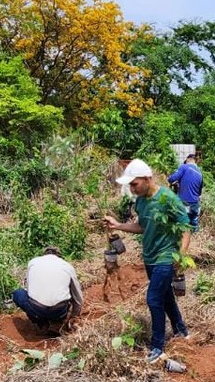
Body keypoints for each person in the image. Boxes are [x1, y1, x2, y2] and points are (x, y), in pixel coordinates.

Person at [104, 158, 193, 363]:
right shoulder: (141, 201)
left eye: (134, 184)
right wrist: (117, 226)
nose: (132, 189)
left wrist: (182, 255)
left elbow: (185, 227)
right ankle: (182, 331)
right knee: (166, 297)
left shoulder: (168, 198)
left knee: (153, 299)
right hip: (150, 257)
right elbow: (141, 227)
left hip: (166, 257)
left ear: (147, 179)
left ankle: (158, 347)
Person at [11, 246, 83, 333]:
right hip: (59, 311)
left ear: (44, 254)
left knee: (18, 293)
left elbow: (29, 289)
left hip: (37, 310)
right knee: (68, 292)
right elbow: (78, 298)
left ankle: (41, 324)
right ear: (59, 256)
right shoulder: (67, 266)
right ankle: (57, 322)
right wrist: (74, 317)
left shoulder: (33, 262)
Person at [168, 153, 204, 231]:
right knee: (194, 226)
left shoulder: (184, 167)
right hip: (195, 204)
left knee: (182, 226)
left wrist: (170, 179)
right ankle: (195, 239)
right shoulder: (200, 173)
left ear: (188, 159)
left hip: (184, 203)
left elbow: (172, 179)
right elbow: (199, 192)